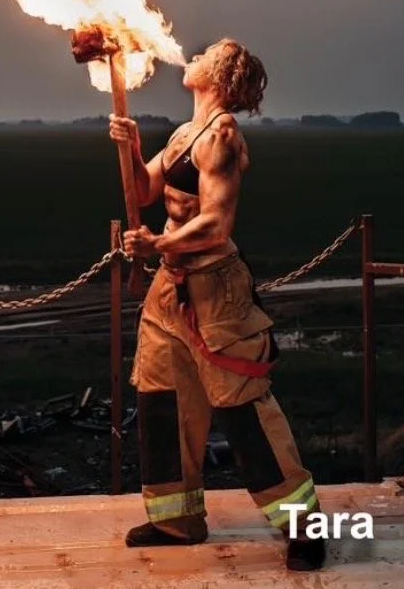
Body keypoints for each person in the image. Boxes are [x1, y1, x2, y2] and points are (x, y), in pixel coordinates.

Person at [109, 38, 326, 571]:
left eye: (209, 53)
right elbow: (141, 193)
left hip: (216, 293)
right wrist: (132, 146)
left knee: (243, 408)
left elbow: (216, 222)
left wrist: (156, 244)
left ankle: (305, 528)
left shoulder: (222, 133)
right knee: (163, 400)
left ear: (223, 77)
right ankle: (175, 519)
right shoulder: (185, 134)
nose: (195, 56)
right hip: (168, 291)